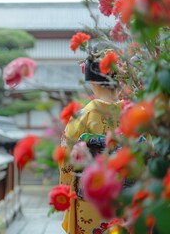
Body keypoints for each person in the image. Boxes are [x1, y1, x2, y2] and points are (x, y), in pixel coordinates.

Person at [59, 44, 123, 233]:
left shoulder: (82, 117)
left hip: (90, 201)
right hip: (127, 199)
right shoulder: (136, 116)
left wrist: (66, 185)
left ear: (91, 81)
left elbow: (66, 164)